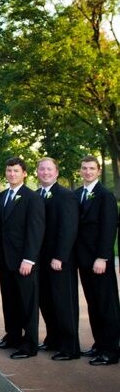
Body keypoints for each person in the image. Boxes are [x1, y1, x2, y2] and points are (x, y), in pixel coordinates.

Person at [0, 157, 45, 359]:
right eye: (9, 171)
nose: (12, 174)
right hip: (5, 259)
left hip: (24, 261)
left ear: (24, 173)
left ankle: (30, 343)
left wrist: (29, 259)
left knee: (28, 303)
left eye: (16, 171)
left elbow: (35, 230)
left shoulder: (32, 198)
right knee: (10, 300)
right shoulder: (2, 196)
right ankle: (13, 336)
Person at [75, 155, 119, 366]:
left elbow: (109, 229)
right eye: (84, 168)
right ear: (80, 171)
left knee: (106, 305)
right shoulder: (77, 194)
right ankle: (99, 343)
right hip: (83, 259)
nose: (88, 172)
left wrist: (103, 257)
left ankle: (111, 350)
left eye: (92, 168)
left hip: (99, 260)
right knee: (93, 304)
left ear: (99, 171)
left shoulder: (105, 196)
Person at [36, 157, 80, 361]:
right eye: (42, 169)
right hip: (41, 259)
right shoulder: (37, 195)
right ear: (37, 172)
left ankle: (69, 347)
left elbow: (69, 229)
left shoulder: (66, 195)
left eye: (49, 169)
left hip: (59, 259)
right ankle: (53, 339)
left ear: (56, 172)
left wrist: (60, 256)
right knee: (46, 301)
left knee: (63, 303)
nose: (45, 172)